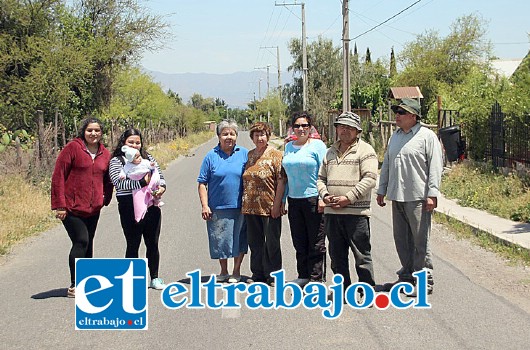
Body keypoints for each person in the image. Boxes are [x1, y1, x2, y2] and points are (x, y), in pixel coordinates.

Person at [376, 98, 443, 296]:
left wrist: (432, 194)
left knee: (420, 241)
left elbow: (435, 167)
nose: (397, 115)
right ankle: (406, 277)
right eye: (396, 111)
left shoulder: (426, 137)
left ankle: (424, 281)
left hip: (418, 198)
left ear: (413, 116)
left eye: (401, 112)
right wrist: (382, 189)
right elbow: (387, 163)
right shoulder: (395, 137)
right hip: (397, 195)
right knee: (401, 239)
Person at [317, 112, 378, 300]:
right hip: (332, 213)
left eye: (349, 127)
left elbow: (370, 179)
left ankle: (367, 292)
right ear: (336, 129)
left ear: (357, 131)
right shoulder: (329, 152)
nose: (344, 130)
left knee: (362, 256)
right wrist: (325, 195)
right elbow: (320, 179)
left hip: (356, 213)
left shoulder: (365, 151)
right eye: (341, 126)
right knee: (337, 256)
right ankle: (342, 290)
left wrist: (348, 198)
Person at [51, 117, 113, 298]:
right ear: (83, 132)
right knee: (81, 241)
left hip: (93, 208)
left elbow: (108, 178)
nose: (93, 133)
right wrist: (59, 205)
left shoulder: (105, 153)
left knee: (89, 244)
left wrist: (106, 198)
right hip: (71, 208)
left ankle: (87, 282)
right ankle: (75, 284)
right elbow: (58, 176)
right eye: (89, 130)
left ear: (101, 133)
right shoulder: (73, 148)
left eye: (97, 130)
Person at [109, 128, 167, 290]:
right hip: (128, 205)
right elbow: (119, 183)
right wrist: (141, 183)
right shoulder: (117, 161)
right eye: (131, 142)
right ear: (123, 143)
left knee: (153, 243)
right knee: (133, 243)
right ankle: (132, 280)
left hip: (151, 204)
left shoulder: (148, 157)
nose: (135, 145)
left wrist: (161, 188)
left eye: (137, 142)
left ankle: (154, 277)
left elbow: (160, 177)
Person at [197, 120, 248, 283]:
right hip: (217, 206)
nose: (229, 137)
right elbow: (202, 183)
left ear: (236, 136)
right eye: (225, 134)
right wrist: (205, 205)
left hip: (241, 206)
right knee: (220, 239)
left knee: (240, 239)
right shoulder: (211, 156)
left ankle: (236, 270)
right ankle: (224, 270)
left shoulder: (244, 154)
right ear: (218, 136)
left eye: (232, 134)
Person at [281, 111, 327, 287]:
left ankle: (317, 278)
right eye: (297, 126)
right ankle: (303, 275)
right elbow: (285, 176)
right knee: (299, 239)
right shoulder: (288, 147)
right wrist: (283, 199)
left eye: (305, 125)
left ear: (310, 127)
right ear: (292, 128)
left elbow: (325, 173)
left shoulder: (317, 146)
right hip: (294, 199)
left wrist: (323, 197)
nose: (301, 129)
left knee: (316, 241)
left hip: (313, 198)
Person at [242, 122, 285, 286]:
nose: (259, 138)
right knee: (255, 242)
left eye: (263, 134)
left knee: (272, 242)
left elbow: (281, 181)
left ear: (268, 136)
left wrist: (277, 204)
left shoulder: (276, 155)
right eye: (256, 135)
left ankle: (273, 275)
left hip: (269, 206)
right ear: (252, 137)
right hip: (250, 206)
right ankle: (258, 273)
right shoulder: (250, 155)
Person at [120, 145, 164, 222]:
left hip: (149, 180)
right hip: (136, 186)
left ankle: (157, 202)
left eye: (137, 142)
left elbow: (154, 168)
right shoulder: (126, 164)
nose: (134, 145)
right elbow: (121, 177)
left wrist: (152, 166)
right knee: (140, 199)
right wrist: (123, 176)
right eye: (136, 158)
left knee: (152, 191)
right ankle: (140, 213)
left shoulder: (145, 160)